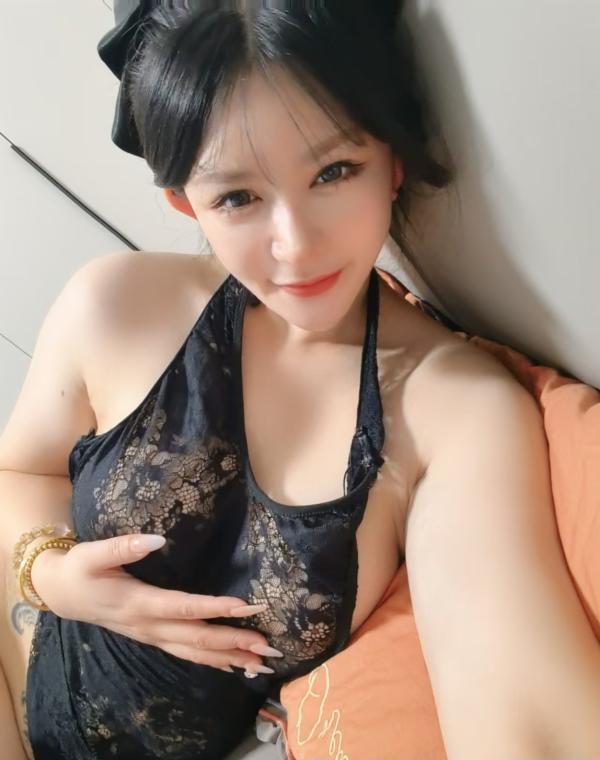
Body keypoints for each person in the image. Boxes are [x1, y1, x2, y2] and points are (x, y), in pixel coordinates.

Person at [1, 2, 599, 759]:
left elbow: (531, 726)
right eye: (238, 198)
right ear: (185, 202)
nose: (296, 245)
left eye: (334, 171)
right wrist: (52, 574)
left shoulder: (453, 412)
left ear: (394, 158)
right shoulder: (116, 305)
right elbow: (18, 472)